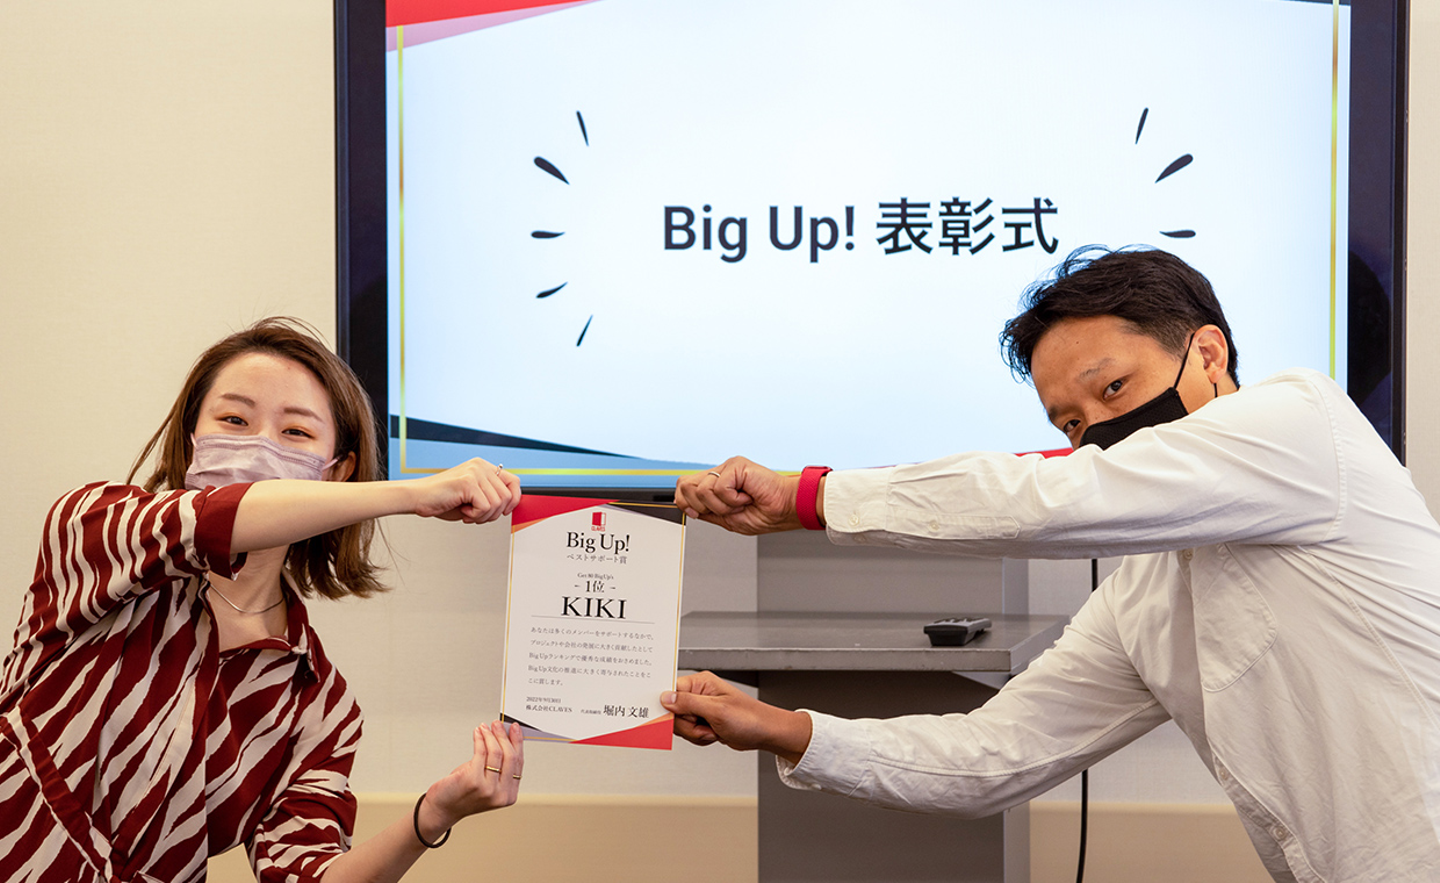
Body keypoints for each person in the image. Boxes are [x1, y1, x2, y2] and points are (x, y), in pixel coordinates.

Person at [663, 247, 1440, 882]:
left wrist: (810, 497)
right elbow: (990, 758)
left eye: (1114, 388)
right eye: (1071, 422)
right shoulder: (1143, 596)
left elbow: (1051, 495)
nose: (1096, 432)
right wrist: (784, 729)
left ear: (1208, 352)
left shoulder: (1299, 421)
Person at [0, 318, 525, 882]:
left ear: (338, 473)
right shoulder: (95, 532)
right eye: (234, 420)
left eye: (295, 432)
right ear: (192, 434)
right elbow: (217, 519)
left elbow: (308, 873)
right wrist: (413, 494)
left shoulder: (318, 702)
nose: (258, 446)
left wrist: (432, 817)